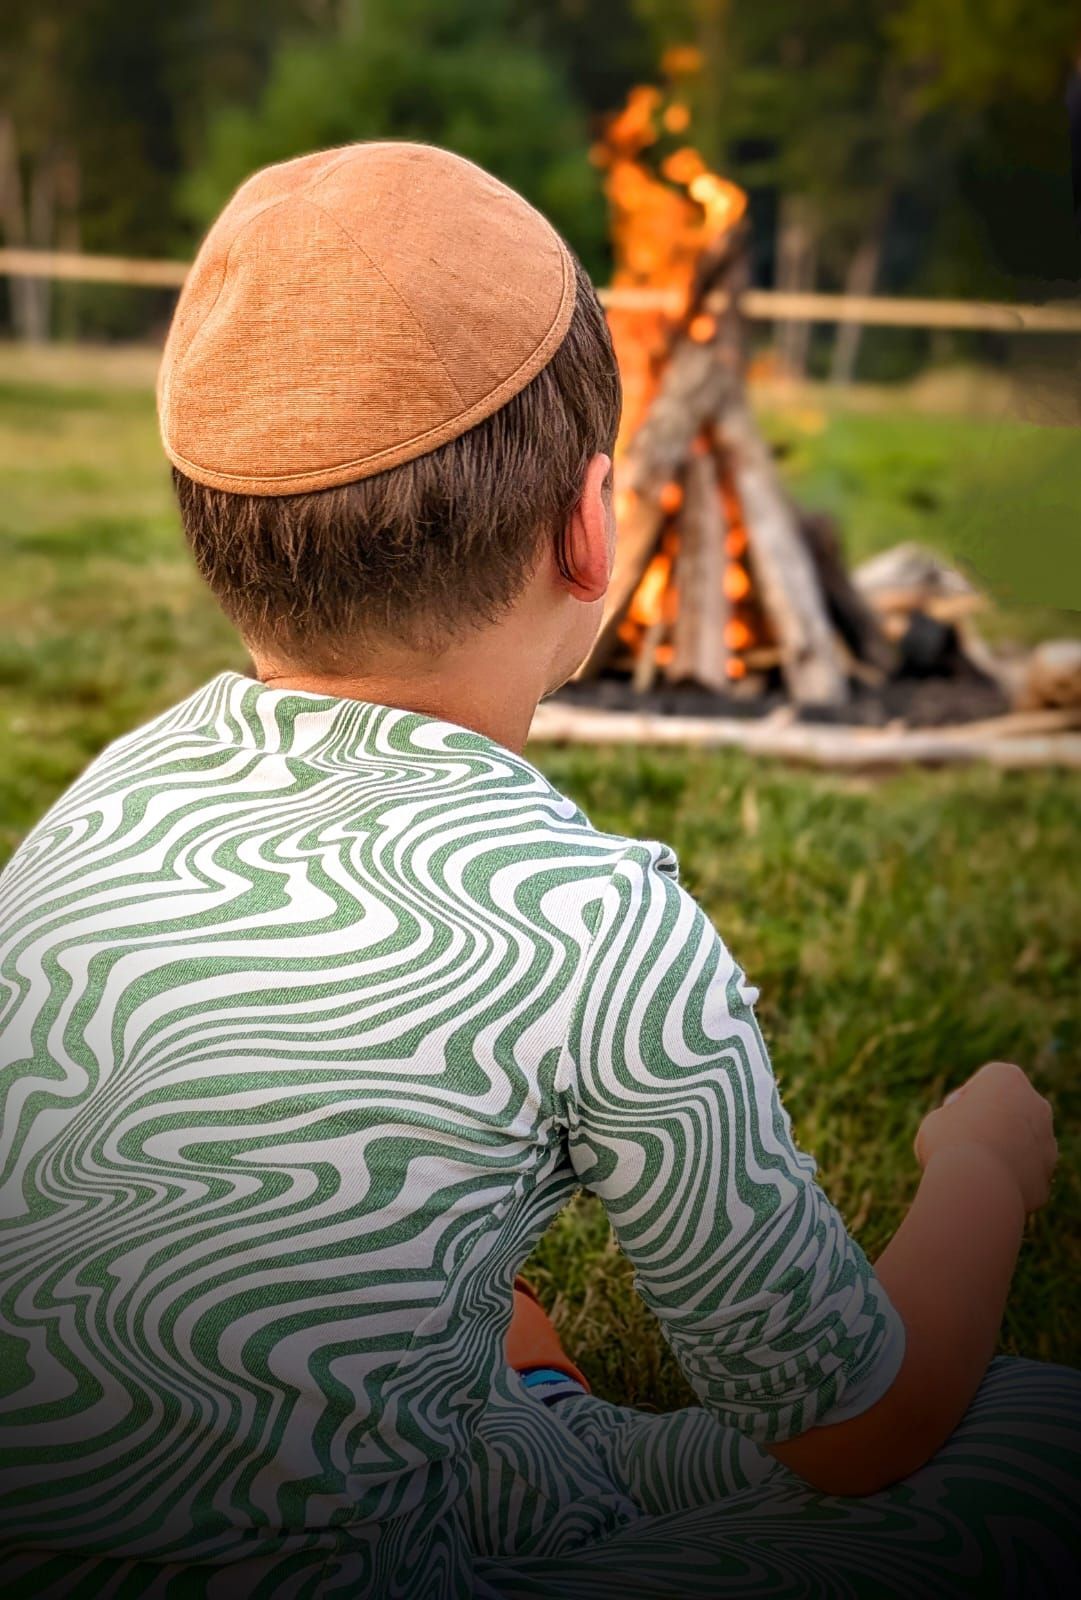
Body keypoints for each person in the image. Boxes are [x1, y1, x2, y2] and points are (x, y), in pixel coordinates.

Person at [0, 142, 1076, 1600]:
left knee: (495, 1407)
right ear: (589, 526)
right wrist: (978, 1174)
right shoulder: (597, 924)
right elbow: (858, 1428)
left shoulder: (102, 800)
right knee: (1021, 1440)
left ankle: (550, 1431)